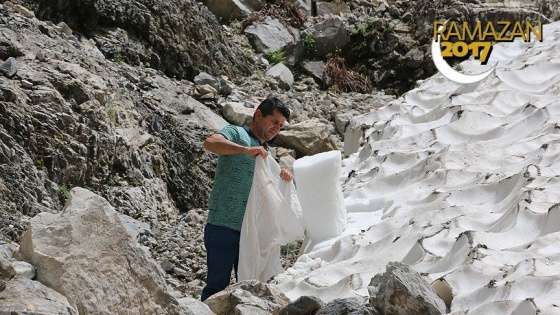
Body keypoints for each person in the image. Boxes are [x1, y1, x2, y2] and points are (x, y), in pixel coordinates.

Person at [201, 96, 293, 301]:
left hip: (252, 233)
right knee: (217, 287)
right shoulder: (237, 133)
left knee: (249, 290)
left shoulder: (267, 154)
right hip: (223, 225)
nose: (276, 128)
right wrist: (245, 150)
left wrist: (284, 177)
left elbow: (268, 193)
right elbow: (211, 142)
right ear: (258, 115)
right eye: (274, 121)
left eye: (280, 125)